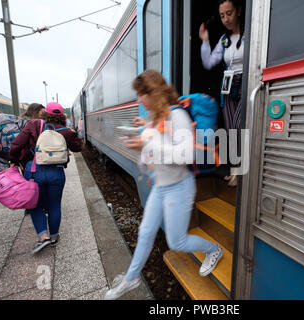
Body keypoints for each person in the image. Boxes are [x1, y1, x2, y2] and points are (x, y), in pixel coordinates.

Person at [104, 70, 223, 300]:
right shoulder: (154, 119)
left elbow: (186, 153)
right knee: (146, 231)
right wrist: (141, 147)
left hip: (180, 186)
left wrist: (147, 145)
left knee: (176, 241)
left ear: (153, 93)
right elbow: (148, 159)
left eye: (141, 94)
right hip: (161, 186)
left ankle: (213, 249)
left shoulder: (177, 116)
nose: (139, 100)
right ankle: (132, 278)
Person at [9, 102, 82, 254]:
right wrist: (74, 133)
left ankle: (43, 237)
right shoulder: (65, 131)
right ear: (61, 115)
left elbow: (16, 145)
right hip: (57, 172)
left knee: (35, 204)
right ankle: (54, 237)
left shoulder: (34, 124)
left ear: (45, 114)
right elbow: (77, 148)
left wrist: (14, 161)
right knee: (54, 205)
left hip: (35, 171)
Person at [199, 0, 244, 187]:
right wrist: (205, 41)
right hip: (228, 88)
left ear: (239, 11)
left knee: (239, 129)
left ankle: (239, 171)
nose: (226, 19)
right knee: (231, 130)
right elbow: (209, 62)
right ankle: (236, 171)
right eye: (222, 15)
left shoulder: (251, 34)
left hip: (245, 84)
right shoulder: (224, 40)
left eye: (229, 13)